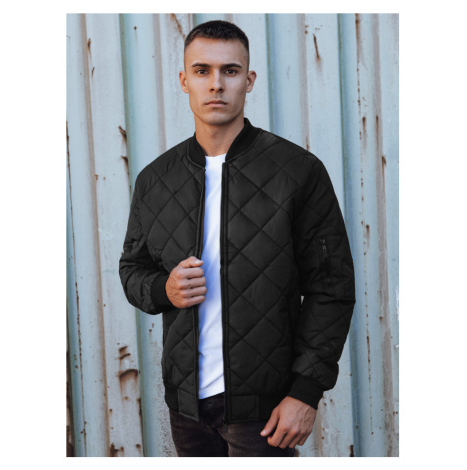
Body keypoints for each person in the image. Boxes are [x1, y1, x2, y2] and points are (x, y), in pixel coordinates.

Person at [119, 20, 356, 458]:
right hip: (187, 409)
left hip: (265, 411)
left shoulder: (297, 172)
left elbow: (332, 289)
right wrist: (164, 289)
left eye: (230, 71)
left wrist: (305, 392)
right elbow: (132, 269)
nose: (216, 84)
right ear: (184, 80)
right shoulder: (156, 180)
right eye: (202, 71)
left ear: (249, 80)